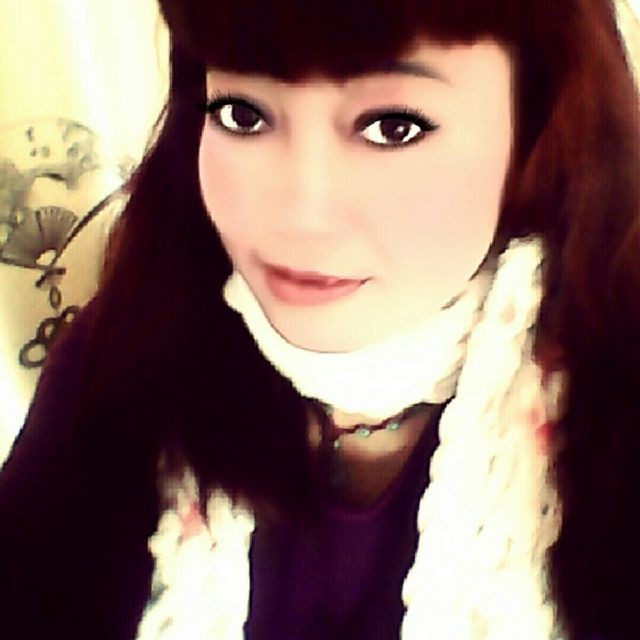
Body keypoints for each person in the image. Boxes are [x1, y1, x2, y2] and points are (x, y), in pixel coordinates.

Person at [0, 0, 638, 638]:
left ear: (537, 124)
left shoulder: (616, 387)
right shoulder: (123, 355)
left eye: (393, 127)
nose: (299, 213)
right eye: (242, 114)